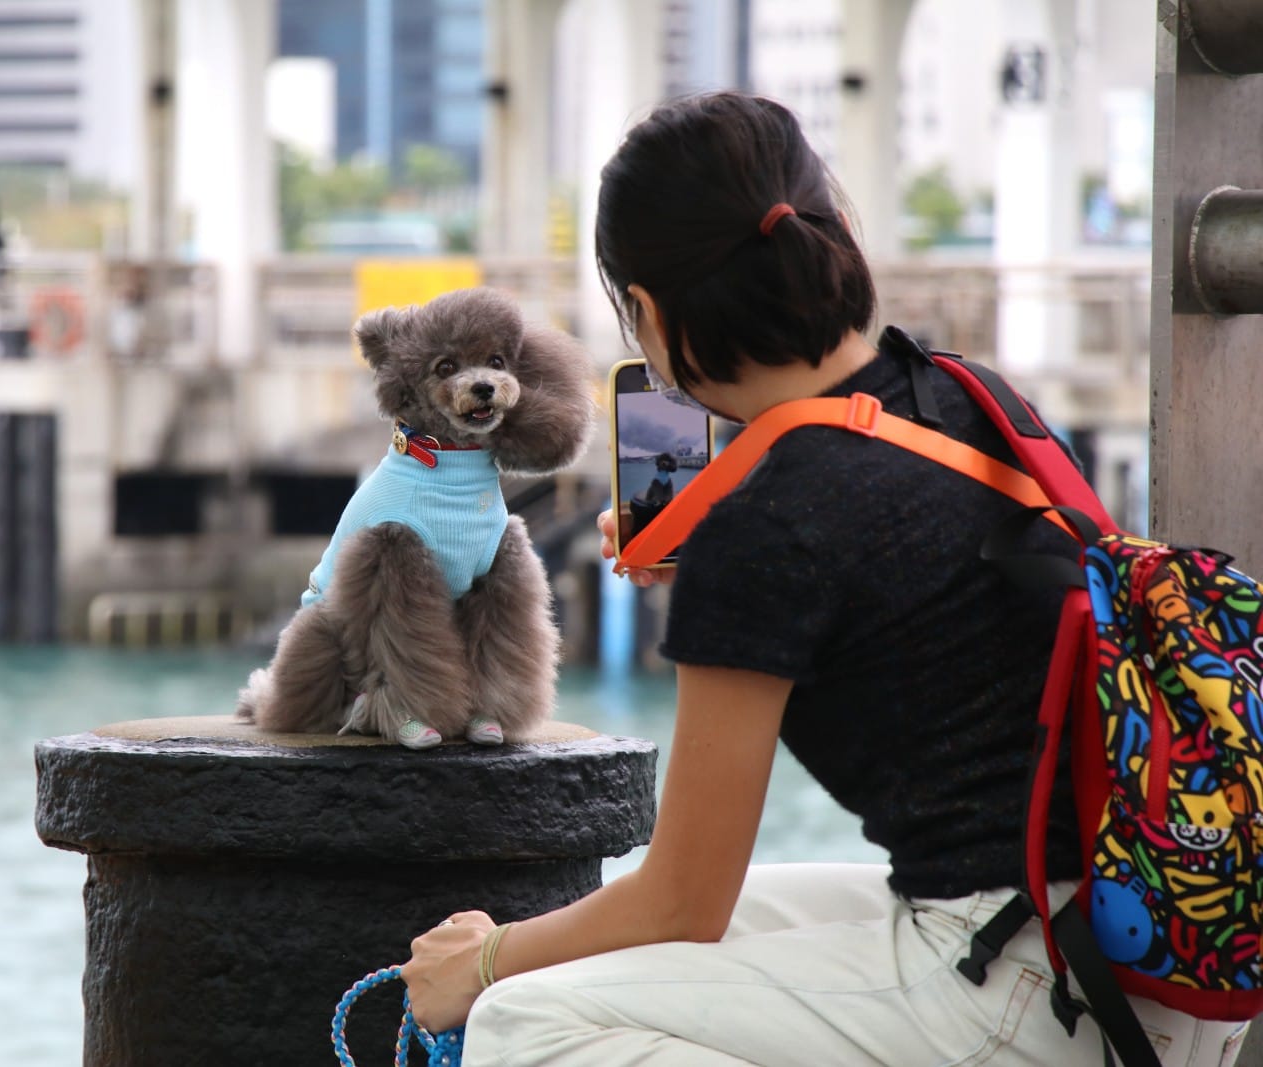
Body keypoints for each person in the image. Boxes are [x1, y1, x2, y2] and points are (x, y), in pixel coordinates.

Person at [401, 92, 1247, 1065]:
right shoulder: (963, 391)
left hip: (1031, 990)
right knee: (651, 938)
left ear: (648, 315)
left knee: (523, 1015)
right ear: (833, 229)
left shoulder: (767, 527)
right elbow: (897, 574)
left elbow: (682, 897)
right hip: (1148, 928)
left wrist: (489, 958)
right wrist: (723, 580)